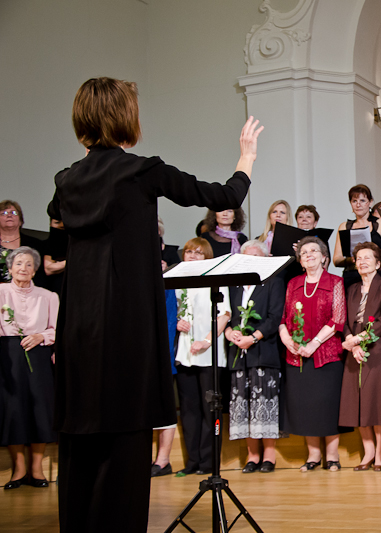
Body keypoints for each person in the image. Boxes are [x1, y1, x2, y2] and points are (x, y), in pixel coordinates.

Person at [47, 77, 260, 532]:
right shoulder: (141, 171)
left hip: (78, 326)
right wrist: (247, 157)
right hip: (124, 324)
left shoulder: (66, 180)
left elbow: (56, 226)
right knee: (125, 440)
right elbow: (224, 196)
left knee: (79, 439)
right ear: (126, 117)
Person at [279, 237, 346, 472]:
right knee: (305, 405)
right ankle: (313, 455)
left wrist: (314, 343)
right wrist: (288, 341)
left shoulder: (336, 282)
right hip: (297, 354)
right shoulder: (293, 283)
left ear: (324, 257)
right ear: (300, 261)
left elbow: (338, 319)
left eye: (314, 251)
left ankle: (333, 455)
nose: (309, 254)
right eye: (304, 252)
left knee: (328, 406)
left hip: (327, 354)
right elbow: (283, 318)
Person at [225, 240, 286, 474]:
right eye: (247, 258)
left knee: (265, 404)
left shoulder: (273, 282)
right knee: (244, 404)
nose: (251, 262)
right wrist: (231, 332)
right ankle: (252, 456)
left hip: (264, 351)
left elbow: (274, 317)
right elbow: (229, 316)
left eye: (256, 257)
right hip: (238, 353)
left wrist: (254, 337)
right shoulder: (235, 286)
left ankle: (269, 456)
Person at [0, 247, 58, 490]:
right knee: (13, 410)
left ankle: (37, 469)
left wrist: (40, 336)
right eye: (18, 263)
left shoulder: (48, 296)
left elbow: (57, 329)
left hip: (39, 353)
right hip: (7, 355)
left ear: (35, 271)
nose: (23, 268)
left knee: (39, 409)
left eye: (28, 264)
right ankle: (19, 469)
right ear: (10, 268)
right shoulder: (1, 292)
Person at [174, 238, 231, 476]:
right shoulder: (177, 279)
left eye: (198, 253)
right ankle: (192, 462)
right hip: (185, 354)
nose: (192, 256)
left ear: (207, 256)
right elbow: (172, 311)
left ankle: (209, 463)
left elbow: (224, 315)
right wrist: (177, 322)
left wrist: (206, 341)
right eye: (189, 252)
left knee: (210, 410)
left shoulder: (216, 278)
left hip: (209, 354)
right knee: (189, 410)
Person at [339, 242, 381, 471]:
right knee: (357, 403)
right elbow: (344, 320)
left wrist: (359, 340)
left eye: (367, 258)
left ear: (378, 263)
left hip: (376, 348)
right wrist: (352, 344)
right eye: (358, 258)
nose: (362, 262)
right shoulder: (352, 288)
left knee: (375, 403)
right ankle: (368, 452)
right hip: (354, 351)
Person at [151, 223, 179, 478]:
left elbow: (171, 322)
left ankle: (163, 459)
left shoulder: (167, 278)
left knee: (164, 405)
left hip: (160, 354)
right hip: (135, 357)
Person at [333, 184, 381, 289]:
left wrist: (372, 257)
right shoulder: (344, 226)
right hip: (351, 276)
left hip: (376, 275)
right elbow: (336, 260)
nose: (358, 205)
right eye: (354, 201)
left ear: (370, 202)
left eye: (362, 201)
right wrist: (352, 259)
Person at [0, 200, 44, 285]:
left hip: (27, 289)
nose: (9, 215)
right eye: (4, 213)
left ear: (20, 221)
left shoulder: (36, 244)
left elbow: (40, 275)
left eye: (14, 213)